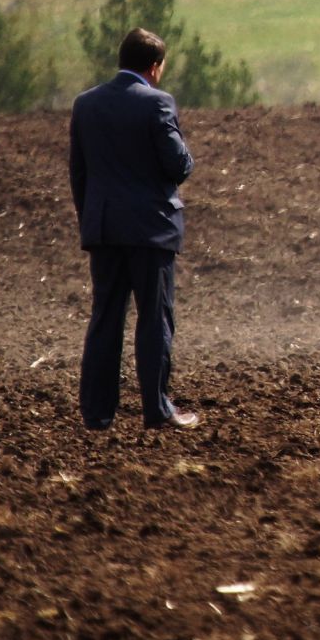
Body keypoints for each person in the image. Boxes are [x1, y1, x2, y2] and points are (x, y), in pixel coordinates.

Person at [71, 27, 199, 430]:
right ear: (155, 67)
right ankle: (156, 409)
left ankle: (97, 412)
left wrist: (92, 221)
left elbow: (80, 173)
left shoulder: (86, 104)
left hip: (105, 228)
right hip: (151, 230)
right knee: (154, 318)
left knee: (106, 317)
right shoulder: (158, 103)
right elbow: (177, 165)